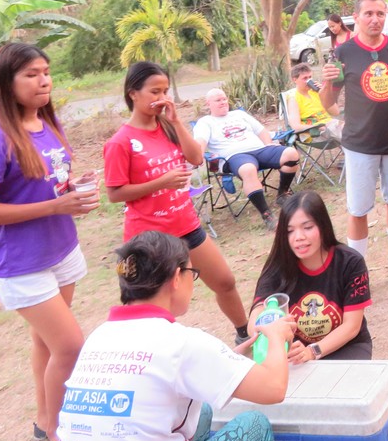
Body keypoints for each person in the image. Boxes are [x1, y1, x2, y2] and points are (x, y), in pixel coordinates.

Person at [52, 230, 295, 441]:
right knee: (254, 425)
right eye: (193, 273)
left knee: (203, 412)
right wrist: (276, 336)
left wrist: (229, 359)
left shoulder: (98, 337)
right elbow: (273, 388)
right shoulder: (182, 343)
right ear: (177, 277)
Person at [0, 42, 96, 441]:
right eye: (31, 74)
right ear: (7, 82)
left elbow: (48, 182)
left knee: (46, 341)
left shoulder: (47, 123)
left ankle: (44, 417)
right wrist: (56, 205)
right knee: (70, 346)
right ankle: (57, 429)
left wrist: (72, 189)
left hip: (61, 248)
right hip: (20, 263)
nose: (44, 81)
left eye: (46, 72)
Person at [104, 62, 252, 344]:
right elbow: (114, 193)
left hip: (186, 225)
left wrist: (175, 121)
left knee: (225, 282)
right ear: (133, 93)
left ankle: (244, 335)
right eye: (154, 91)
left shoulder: (167, 127)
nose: (161, 98)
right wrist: (161, 182)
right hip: (150, 239)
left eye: (165, 91)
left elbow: (196, 158)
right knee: (158, 307)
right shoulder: (120, 142)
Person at [320, 0, 388, 284]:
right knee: (358, 209)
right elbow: (327, 103)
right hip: (359, 144)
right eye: (368, 13)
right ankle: (357, 275)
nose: (375, 19)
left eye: (380, 13)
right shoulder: (343, 53)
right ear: (356, 18)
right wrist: (328, 82)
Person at [250, 192, 372, 361]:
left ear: (323, 226)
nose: (299, 237)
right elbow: (255, 319)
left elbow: (351, 326)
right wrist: (270, 336)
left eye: (307, 227)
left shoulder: (350, 262)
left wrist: (312, 351)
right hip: (294, 351)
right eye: (290, 231)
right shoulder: (277, 267)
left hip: (347, 346)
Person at [193, 88, 301, 228]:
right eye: (218, 100)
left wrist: (268, 144)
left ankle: (283, 193)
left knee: (291, 153)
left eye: (224, 99)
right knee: (248, 169)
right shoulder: (205, 122)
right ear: (208, 104)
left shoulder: (239, 114)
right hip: (233, 156)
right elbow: (200, 142)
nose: (223, 102)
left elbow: (261, 131)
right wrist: (197, 156)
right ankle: (267, 214)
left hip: (259, 149)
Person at [286, 62, 342, 139]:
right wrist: (318, 127)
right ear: (295, 80)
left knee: (353, 129)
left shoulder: (316, 92)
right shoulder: (293, 98)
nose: (308, 81)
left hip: (332, 125)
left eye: (310, 77)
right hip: (317, 132)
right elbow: (295, 127)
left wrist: (324, 92)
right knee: (350, 134)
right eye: (305, 78)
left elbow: (336, 112)